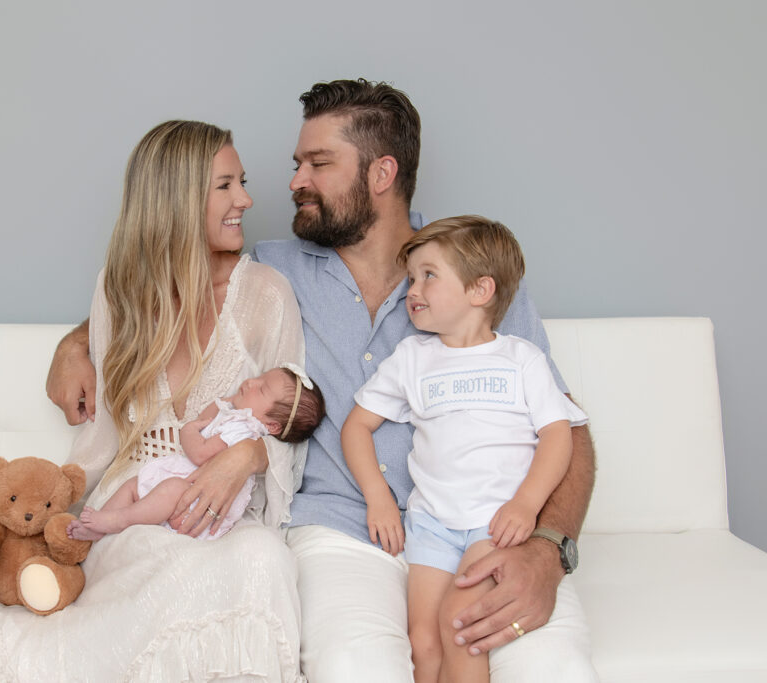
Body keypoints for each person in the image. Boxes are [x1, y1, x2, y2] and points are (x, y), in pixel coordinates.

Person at [47, 80, 598, 682]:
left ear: (381, 173)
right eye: (296, 163)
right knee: (355, 668)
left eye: (319, 164)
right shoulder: (274, 270)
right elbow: (165, 281)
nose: (293, 182)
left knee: (554, 669)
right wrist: (76, 343)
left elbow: (570, 432)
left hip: (486, 527)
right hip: (345, 531)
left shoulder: (472, 277)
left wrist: (549, 549)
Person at [0, 120, 308, 682]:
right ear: (177, 199)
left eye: (243, 182)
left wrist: (248, 455)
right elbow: (104, 440)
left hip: (223, 514)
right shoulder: (119, 289)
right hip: (135, 506)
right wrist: (56, 513)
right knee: (170, 557)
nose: (246, 200)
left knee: (261, 557)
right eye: (225, 185)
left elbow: (288, 423)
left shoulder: (267, 295)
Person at [342, 216, 587, 682]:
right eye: (411, 278)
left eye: (429, 275)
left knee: (460, 622)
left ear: (481, 290)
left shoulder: (521, 359)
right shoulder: (412, 358)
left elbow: (558, 434)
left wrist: (526, 503)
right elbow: (356, 426)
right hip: (431, 523)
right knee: (424, 642)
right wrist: (378, 497)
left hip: (496, 523)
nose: (413, 289)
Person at [67, 364, 325, 542]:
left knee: (170, 490)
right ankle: (100, 525)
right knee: (133, 485)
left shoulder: (244, 431)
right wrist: (230, 401)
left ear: (272, 426)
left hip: (196, 496)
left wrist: (187, 431)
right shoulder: (235, 418)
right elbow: (207, 419)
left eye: (262, 388)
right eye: (259, 377)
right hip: (184, 480)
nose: (251, 382)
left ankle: (119, 520)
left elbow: (200, 453)